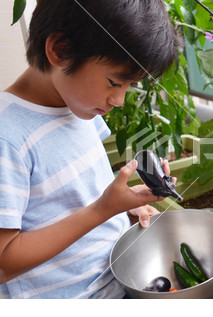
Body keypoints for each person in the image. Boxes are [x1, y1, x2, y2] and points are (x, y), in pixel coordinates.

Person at [0, 0, 183, 298]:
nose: (119, 100)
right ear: (60, 50)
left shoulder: (78, 106)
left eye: (129, 85)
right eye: (114, 82)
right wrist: (103, 210)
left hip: (115, 279)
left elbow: (77, 193)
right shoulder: (7, 138)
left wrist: (124, 207)